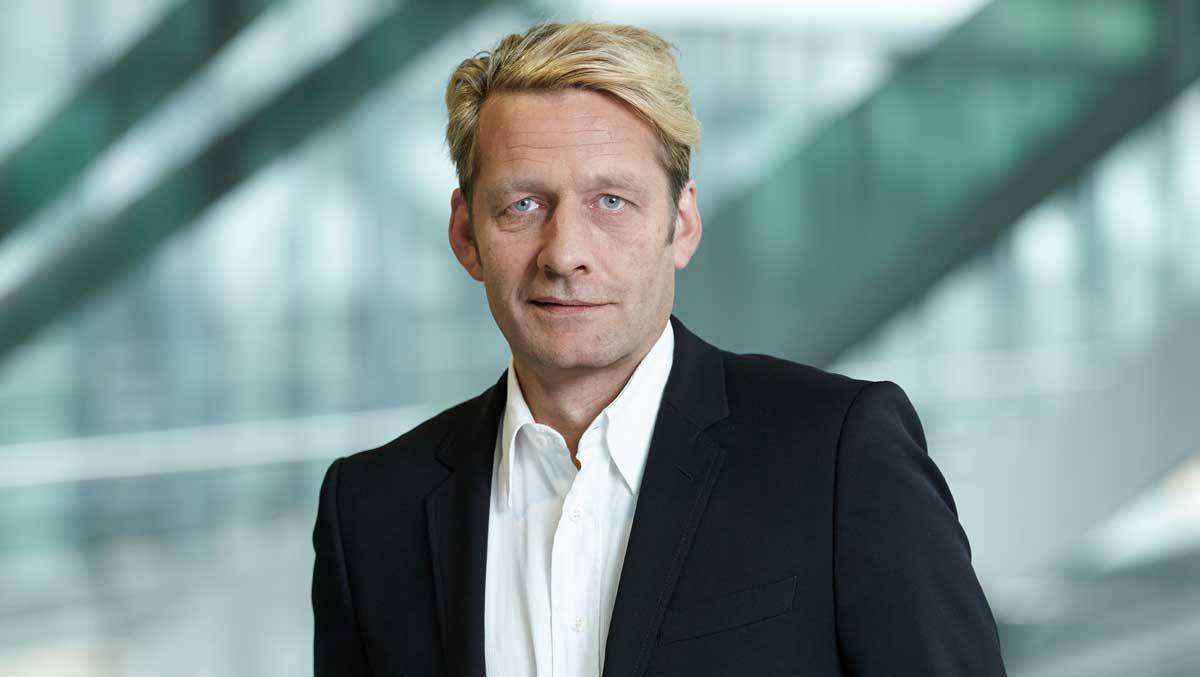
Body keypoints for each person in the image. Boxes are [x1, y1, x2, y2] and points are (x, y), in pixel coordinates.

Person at [311, 20, 1007, 677]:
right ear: (467, 235)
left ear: (682, 223)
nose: (565, 253)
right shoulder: (369, 512)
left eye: (611, 201)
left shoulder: (838, 454)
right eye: (523, 205)